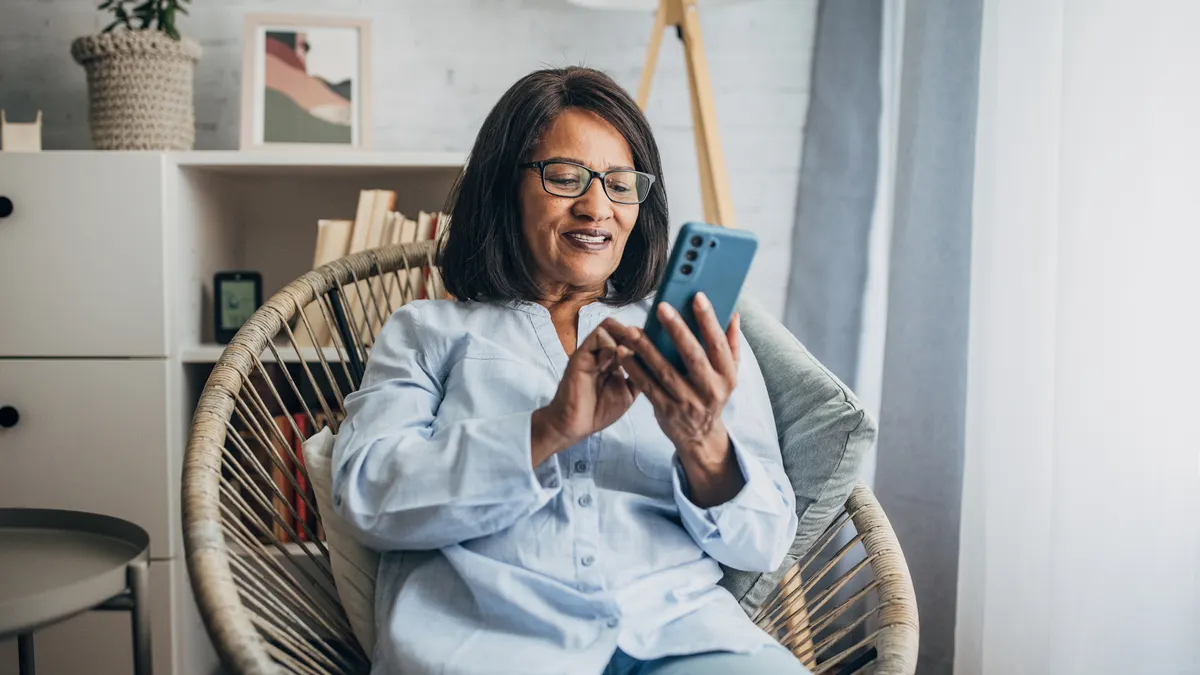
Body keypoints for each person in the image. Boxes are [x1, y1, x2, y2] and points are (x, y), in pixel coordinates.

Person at [330, 66, 806, 675]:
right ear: (505, 187)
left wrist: (703, 441)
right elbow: (369, 497)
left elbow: (764, 542)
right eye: (564, 177)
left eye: (619, 184)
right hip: (493, 646)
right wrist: (549, 428)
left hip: (681, 636)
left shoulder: (688, 335)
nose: (596, 207)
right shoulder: (427, 332)